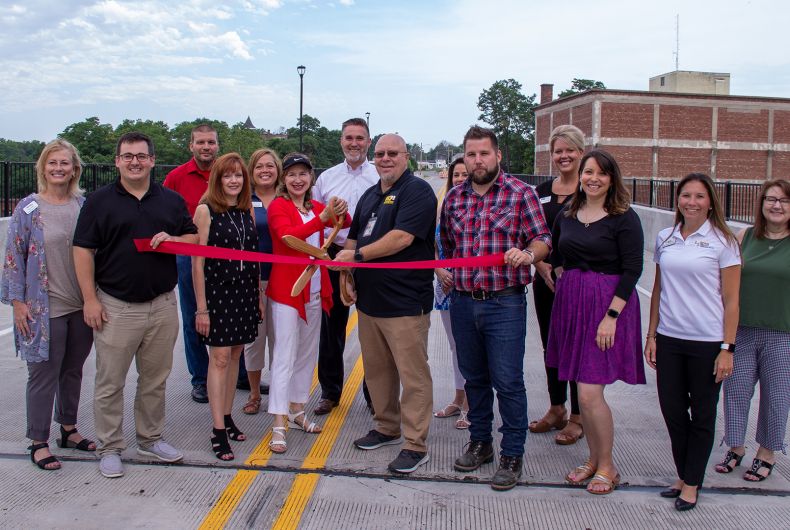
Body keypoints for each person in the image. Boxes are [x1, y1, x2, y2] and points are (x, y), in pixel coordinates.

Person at [73, 132, 198, 478]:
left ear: (152, 161)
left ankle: (150, 438)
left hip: (161, 305)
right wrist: (90, 299)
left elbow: (193, 238)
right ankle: (110, 446)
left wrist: (174, 239)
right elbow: (82, 249)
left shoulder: (170, 201)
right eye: (127, 156)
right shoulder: (98, 202)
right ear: (117, 161)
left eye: (141, 156)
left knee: (155, 379)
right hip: (116, 306)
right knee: (110, 381)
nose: (134, 162)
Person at [440, 126, 551, 491]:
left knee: (508, 381)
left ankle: (512, 453)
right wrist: (444, 268)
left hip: (504, 302)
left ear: (498, 155)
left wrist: (529, 254)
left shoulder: (521, 194)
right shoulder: (455, 197)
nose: (477, 160)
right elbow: (448, 244)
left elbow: (542, 238)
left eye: (484, 153)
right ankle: (481, 442)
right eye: (471, 154)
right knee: (474, 379)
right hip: (463, 301)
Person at [334, 134, 437, 474]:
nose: (386, 158)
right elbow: (352, 236)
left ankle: (415, 443)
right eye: (380, 154)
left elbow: (402, 238)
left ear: (407, 156)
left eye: (393, 153)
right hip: (370, 303)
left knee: (413, 375)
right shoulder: (370, 194)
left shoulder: (417, 191)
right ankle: (387, 427)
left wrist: (358, 257)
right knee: (377, 372)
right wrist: (346, 275)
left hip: (405, 303)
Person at [547, 149, 644, 496]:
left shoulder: (623, 217)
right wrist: (563, 280)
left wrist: (611, 317)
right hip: (574, 305)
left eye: (602, 174)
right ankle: (593, 459)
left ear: (612, 179)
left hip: (608, 309)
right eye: (589, 172)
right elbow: (557, 254)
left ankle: (607, 466)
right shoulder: (569, 213)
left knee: (588, 394)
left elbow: (633, 270)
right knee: (583, 390)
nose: (593, 178)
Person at [644, 172, 740, 511]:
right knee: (672, 411)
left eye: (699, 196)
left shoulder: (724, 241)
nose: (691, 202)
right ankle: (684, 473)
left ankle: (691, 482)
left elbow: (732, 300)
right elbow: (658, 289)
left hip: (708, 343)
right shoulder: (666, 237)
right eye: (686, 195)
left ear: (710, 201)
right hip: (670, 339)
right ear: (678, 200)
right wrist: (652, 334)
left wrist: (727, 348)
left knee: (702, 414)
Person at [1, 139, 95, 471]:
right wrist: (17, 303)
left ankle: (68, 429)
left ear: (74, 168)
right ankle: (38, 440)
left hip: (79, 304)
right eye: (52, 163)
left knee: (72, 370)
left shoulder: (84, 206)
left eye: (64, 163)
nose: (58, 168)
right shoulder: (28, 208)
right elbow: (13, 258)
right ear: (43, 167)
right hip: (43, 307)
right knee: (43, 374)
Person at [266, 153, 349, 454]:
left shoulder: (315, 206)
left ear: (311, 177)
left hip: (315, 289)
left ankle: (297, 410)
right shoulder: (279, 206)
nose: (298, 179)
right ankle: (278, 422)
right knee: (284, 357)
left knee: (306, 355)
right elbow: (288, 237)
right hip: (289, 292)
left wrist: (338, 208)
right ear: (283, 179)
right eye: (291, 174)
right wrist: (323, 217)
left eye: (303, 173)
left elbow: (344, 221)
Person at [716, 179, 790, 483]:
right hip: (741, 331)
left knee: (777, 396)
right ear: (761, 205)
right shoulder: (744, 237)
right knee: (735, 391)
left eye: (784, 201)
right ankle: (735, 447)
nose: (777, 206)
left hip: (782, 334)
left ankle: (767, 453)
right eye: (771, 200)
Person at [193, 153, 261, 461]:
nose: (233, 181)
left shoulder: (246, 209)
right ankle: (217, 429)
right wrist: (201, 308)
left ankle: (228, 415)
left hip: (245, 292)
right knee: (218, 358)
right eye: (227, 176)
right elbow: (198, 263)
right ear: (218, 179)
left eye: (238, 176)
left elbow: (254, 256)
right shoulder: (205, 211)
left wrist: (258, 296)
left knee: (235, 354)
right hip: (218, 294)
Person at [312, 118, 380, 416]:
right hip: (334, 255)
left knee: (374, 328)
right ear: (341, 141)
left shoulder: (380, 175)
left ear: (369, 142)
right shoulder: (326, 178)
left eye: (360, 138)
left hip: (370, 255)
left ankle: (374, 393)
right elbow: (315, 218)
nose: (354, 143)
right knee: (331, 329)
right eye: (349, 137)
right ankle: (330, 392)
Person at [529, 125, 585, 445]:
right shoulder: (541, 192)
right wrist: (540, 264)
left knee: (575, 347)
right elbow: (529, 233)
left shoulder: (590, 189)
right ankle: (556, 407)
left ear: (581, 152)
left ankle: (578, 415)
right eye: (558, 151)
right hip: (544, 280)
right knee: (551, 345)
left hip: (576, 283)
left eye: (569, 150)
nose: (563, 156)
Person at [163, 124, 219, 404]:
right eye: (201, 142)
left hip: (222, 255)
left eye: (210, 142)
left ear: (217, 145)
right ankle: (200, 379)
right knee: (194, 316)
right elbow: (163, 213)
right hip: (189, 255)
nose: (206, 147)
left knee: (231, 315)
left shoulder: (226, 173)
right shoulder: (176, 177)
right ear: (191, 146)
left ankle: (240, 372)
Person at [240, 149, 279, 416]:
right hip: (252, 280)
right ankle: (254, 394)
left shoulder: (288, 198)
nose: (265, 170)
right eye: (259, 167)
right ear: (251, 171)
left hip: (284, 280)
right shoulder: (243, 200)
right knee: (254, 341)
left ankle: (279, 394)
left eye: (270, 166)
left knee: (282, 341)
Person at [432, 155, 469, 430]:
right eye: (456, 175)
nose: (459, 179)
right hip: (444, 285)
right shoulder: (442, 204)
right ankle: (458, 397)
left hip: (468, 285)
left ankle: (471, 404)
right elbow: (431, 242)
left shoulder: (476, 206)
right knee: (456, 345)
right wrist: (439, 271)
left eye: (464, 175)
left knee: (470, 347)